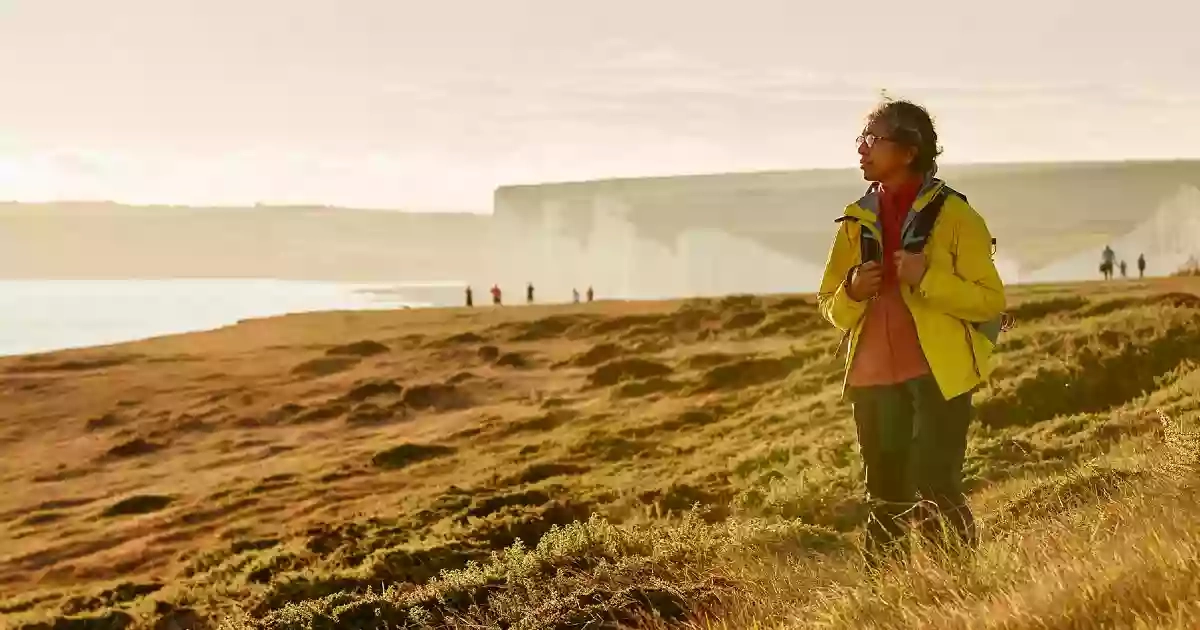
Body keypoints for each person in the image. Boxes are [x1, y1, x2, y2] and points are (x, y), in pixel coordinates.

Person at [817, 99, 1005, 567]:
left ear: (907, 150)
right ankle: (887, 603)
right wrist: (853, 290)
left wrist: (927, 277)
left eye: (872, 140)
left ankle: (960, 591)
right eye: (861, 141)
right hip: (870, 379)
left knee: (936, 489)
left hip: (936, 375)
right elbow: (831, 308)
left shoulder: (957, 216)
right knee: (884, 500)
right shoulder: (854, 221)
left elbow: (989, 301)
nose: (861, 150)